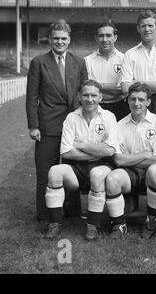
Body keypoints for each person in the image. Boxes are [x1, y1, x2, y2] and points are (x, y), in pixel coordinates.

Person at [26, 19, 88, 222]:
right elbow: (31, 97)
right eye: (56, 38)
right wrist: (33, 125)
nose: (59, 42)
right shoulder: (38, 62)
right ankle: (45, 214)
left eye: (63, 38)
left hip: (73, 125)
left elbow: (85, 93)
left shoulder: (79, 62)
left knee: (72, 170)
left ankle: (72, 211)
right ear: (49, 40)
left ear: (69, 40)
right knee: (46, 170)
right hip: (47, 126)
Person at [43, 80, 117, 240]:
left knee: (97, 174)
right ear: (79, 97)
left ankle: (92, 225)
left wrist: (80, 145)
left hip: (102, 166)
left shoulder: (109, 117)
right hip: (76, 169)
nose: (89, 99)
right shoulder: (71, 118)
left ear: (100, 97)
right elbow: (67, 152)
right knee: (55, 171)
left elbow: (110, 151)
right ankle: (55, 224)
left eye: (93, 95)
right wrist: (97, 150)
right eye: (86, 95)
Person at [104, 83, 156, 239]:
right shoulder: (119, 125)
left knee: (155, 170)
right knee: (112, 178)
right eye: (133, 99)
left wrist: (130, 159)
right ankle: (119, 224)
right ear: (127, 100)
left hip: (152, 172)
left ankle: (152, 220)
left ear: (148, 102)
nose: (136, 103)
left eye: (141, 99)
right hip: (130, 173)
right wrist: (146, 155)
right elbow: (118, 160)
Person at [120, 10, 156, 119]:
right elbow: (125, 87)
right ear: (138, 29)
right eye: (143, 26)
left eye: (150, 26)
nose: (147, 29)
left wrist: (138, 82)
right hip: (137, 102)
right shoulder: (130, 54)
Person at [85, 21, 128, 121]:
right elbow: (89, 89)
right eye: (101, 36)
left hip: (120, 106)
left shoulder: (125, 59)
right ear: (96, 38)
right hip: (96, 107)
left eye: (108, 35)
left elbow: (124, 88)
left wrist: (98, 85)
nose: (105, 39)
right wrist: (115, 87)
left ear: (115, 37)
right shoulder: (87, 61)